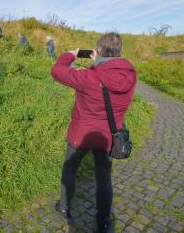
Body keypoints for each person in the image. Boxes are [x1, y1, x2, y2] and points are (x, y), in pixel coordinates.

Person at [51, 32, 136, 233]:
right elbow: (110, 76)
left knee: (70, 170)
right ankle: (104, 221)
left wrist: (71, 54)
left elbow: (57, 71)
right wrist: (100, 63)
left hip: (80, 135)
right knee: (104, 178)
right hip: (108, 137)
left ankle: (64, 208)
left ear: (97, 51)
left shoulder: (89, 76)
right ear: (120, 51)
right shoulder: (131, 75)